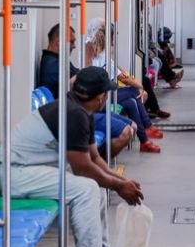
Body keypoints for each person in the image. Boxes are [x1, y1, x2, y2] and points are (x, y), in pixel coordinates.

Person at [0, 67, 143, 247]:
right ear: (101, 96)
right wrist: (119, 187)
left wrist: (121, 182)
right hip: (14, 172)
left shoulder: (79, 109)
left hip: (32, 168)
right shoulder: (73, 115)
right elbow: (83, 169)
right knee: (87, 188)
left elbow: (94, 158)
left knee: (97, 187)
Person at [37, 23, 134, 158]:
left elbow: (80, 76)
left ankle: (96, 163)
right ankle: (97, 165)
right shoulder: (53, 66)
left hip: (79, 110)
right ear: (59, 41)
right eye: (72, 41)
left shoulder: (60, 61)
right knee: (126, 131)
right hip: (71, 114)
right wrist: (88, 59)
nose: (75, 45)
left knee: (132, 125)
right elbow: (82, 83)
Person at [87, 20, 163, 153]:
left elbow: (117, 70)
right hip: (99, 99)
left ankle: (144, 140)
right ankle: (147, 127)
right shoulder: (100, 55)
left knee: (131, 102)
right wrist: (140, 87)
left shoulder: (100, 53)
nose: (113, 42)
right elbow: (121, 77)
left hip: (104, 94)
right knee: (134, 91)